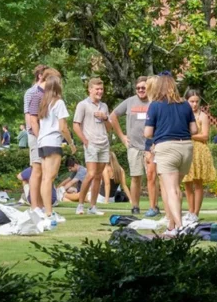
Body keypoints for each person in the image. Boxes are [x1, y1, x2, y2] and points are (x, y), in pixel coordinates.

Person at [144, 72, 197, 236]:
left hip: (167, 148)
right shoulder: (185, 104)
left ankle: (180, 227)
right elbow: (194, 129)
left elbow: (147, 133)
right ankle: (171, 227)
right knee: (174, 189)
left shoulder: (155, 105)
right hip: (186, 148)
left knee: (171, 189)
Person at [110, 76, 157, 216]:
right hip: (134, 146)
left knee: (152, 177)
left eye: (143, 87)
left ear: (148, 87)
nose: (140, 90)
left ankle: (153, 206)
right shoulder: (130, 101)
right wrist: (122, 136)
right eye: (138, 88)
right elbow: (113, 116)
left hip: (151, 146)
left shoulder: (153, 102)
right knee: (136, 177)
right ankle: (135, 206)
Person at [36, 74, 76, 218]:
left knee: (45, 178)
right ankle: (48, 212)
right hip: (53, 142)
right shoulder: (59, 103)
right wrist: (71, 143)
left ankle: (45, 210)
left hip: (42, 142)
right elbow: (63, 127)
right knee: (49, 178)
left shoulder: (44, 103)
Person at [72, 77, 113, 215]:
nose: (100, 91)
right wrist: (84, 140)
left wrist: (105, 117)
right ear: (90, 89)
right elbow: (75, 125)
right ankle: (80, 205)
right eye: (97, 89)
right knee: (90, 174)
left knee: (98, 176)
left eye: (101, 89)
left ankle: (93, 206)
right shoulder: (82, 105)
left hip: (104, 143)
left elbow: (109, 128)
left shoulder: (104, 106)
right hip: (91, 144)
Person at [24, 65, 61, 214]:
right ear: (42, 77)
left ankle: (41, 205)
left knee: (45, 172)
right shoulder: (32, 93)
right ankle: (35, 206)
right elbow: (30, 118)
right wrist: (39, 137)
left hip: (45, 135)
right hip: (36, 135)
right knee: (37, 169)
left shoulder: (47, 95)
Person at [182, 90, 216, 224]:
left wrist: (188, 135)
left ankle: (196, 213)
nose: (194, 104)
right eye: (191, 101)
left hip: (199, 151)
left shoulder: (203, 116)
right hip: (186, 149)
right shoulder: (183, 115)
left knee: (198, 183)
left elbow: (205, 136)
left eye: (196, 101)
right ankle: (190, 211)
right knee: (187, 182)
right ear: (186, 101)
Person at [141, 76, 163, 217]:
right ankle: (152, 206)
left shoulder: (160, 103)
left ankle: (163, 204)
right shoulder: (150, 104)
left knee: (161, 175)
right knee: (150, 174)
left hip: (161, 141)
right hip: (149, 142)